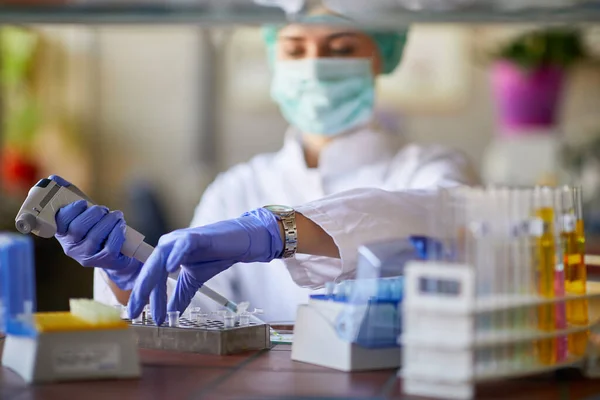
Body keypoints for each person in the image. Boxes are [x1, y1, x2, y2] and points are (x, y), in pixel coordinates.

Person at [52, 8, 478, 325]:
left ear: (382, 55)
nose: (315, 64)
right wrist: (128, 273)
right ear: (275, 57)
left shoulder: (432, 167)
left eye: (341, 47)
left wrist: (279, 230)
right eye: (296, 48)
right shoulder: (237, 187)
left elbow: (446, 217)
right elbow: (194, 316)